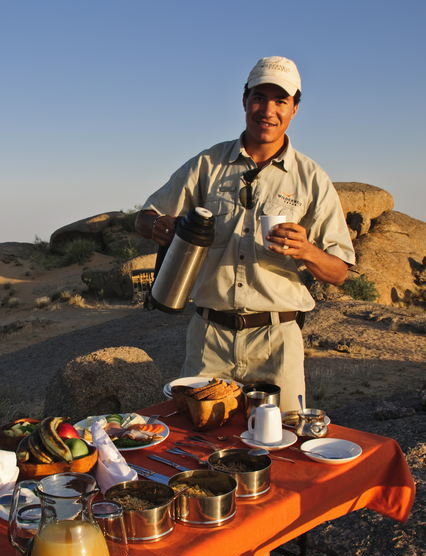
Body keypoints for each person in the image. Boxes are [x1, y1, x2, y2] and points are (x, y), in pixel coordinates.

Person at [135, 56, 355, 412]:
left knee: (282, 444)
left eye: (280, 101)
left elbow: (340, 271)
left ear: (295, 108)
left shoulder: (312, 178)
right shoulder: (207, 164)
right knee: (200, 444)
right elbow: (146, 216)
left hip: (278, 341)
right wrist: (156, 226)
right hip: (210, 338)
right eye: (259, 98)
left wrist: (308, 251)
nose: (267, 110)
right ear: (244, 101)